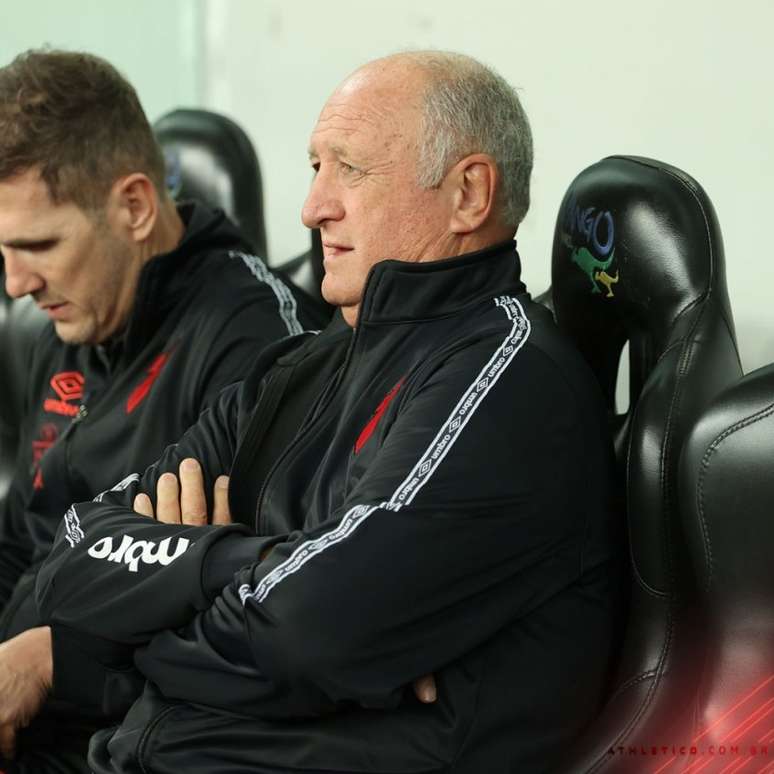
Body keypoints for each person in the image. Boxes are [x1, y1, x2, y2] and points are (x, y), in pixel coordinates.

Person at [12, 51, 619, 773]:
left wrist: (155, 604)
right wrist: (243, 564)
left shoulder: (507, 385)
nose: (312, 208)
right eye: (314, 168)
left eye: (351, 170)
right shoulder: (313, 361)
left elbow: (308, 631)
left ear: (468, 194)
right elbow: (73, 553)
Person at [0, 49, 323, 770]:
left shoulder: (258, 347)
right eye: (3, 250)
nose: (16, 282)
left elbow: (248, 629)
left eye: (39, 245)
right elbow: (23, 539)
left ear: (136, 207)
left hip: (115, 740)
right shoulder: (74, 317)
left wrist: (47, 662)